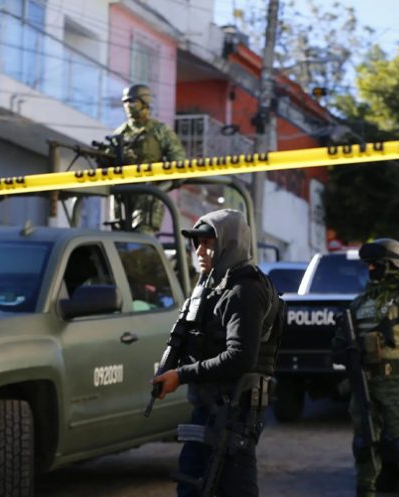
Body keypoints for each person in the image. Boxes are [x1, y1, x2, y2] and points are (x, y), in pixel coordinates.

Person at [152, 208, 282, 497]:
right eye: (197, 243)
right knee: (192, 483)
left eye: (208, 242)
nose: (200, 250)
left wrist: (181, 375)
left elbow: (240, 356)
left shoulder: (243, 291)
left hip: (234, 411)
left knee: (230, 487)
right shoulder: (212, 287)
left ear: (229, 244)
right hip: (211, 407)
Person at [333, 238, 399, 497]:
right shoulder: (358, 304)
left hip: (397, 384)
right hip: (363, 383)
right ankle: (365, 490)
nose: (370, 270)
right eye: (368, 266)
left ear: (392, 266)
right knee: (363, 445)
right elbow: (340, 341)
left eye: (375, 265)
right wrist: (341, 349)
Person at [112, 83, 186, 232]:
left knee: (143, 235)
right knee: (118, 240)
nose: (127, 106)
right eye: (125, 102)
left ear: (144, 103)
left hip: (148, 193)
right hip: (123, 194)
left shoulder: (159, 131)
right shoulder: (119, 133)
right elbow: (107, 165)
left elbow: (179, 163)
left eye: (132, 101)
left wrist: (161, 187)